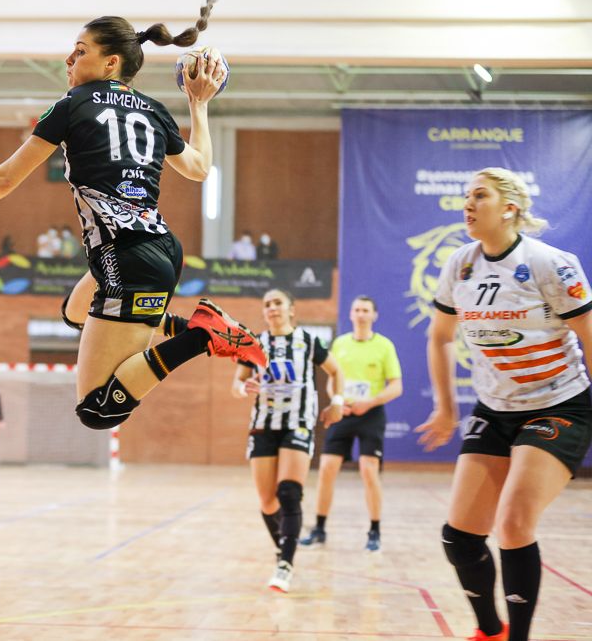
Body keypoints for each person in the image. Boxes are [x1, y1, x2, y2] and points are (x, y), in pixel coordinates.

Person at [0, 0, 267, 433]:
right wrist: (199, 105)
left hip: (124, 255)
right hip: (157, 250)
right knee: (75, 313)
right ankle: (196, 327)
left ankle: (203, 335)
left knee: (96, 410)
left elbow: (5, 179)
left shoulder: (72, 104)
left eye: (80, 50)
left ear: (110, 62)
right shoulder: (153, 109)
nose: (69, 59)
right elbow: (200, 168)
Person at [416, 167, 592, 641]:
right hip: (495, 409)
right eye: (465, 196)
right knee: (460, 537)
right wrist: (446, 408)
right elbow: (439, 338)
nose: (467, 204)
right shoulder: (460, 265)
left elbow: (588, 337)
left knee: (513, 525)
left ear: (509, 207)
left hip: (559, 405)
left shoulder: (551, 263)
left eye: (479, 196)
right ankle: (489, 631)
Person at [231, 288, 343, 593]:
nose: (272, 308)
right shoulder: (254, 343)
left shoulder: (307, 341)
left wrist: (337, 400)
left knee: (289, 492)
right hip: (264, 425)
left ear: (291, 309)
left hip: (299, 422)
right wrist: (245, 389)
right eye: (267, 304)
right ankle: (284, 547)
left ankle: (285, 564)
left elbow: (335, 370)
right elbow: (237, 384)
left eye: (278, 302)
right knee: (268, 502)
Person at [300, 295, 403, 553]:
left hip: (371, 414)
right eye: (356, 309)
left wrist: (369, 403)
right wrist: (338, 401)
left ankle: (374, 530)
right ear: (351, 314)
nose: (360, 314)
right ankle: (320, 528)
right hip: (343, 413)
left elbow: (397, 387)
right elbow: (332, 378)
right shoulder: (341, 344)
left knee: (369, 470)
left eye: (365, 310)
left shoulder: (384, 346)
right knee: (326, 469)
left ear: (374, 315)